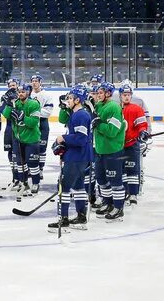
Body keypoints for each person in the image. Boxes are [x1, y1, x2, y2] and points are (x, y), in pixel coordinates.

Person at [47, 85, 93, 231]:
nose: (68, 100)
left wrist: (63, 138)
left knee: (64, 186)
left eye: (71, 98)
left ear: (78, 100)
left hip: (77, 157)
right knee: (78, 187)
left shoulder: (81, 115)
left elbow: (81, 139)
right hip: (78, 156)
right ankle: (81, 217)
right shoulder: (77, 114)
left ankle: (64, 220)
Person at [92, 82, 127, 221]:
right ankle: (108, 203)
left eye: (101, 92)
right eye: (98, 92)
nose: (98, 95)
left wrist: (99, 124)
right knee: (101, 178)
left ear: (108, 93)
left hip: (113, 150)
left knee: (115, 179)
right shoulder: (99, 106)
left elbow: (112, 131)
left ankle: (118, 207)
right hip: (100, 149)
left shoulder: (114, 108)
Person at [1, 84, 42, 196]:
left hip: (32, 139)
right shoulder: (16, 103)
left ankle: (35, 183)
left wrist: (22, 116)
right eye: (19, 92)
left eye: (23, 91)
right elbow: (6, 115)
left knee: (32, 163)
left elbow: (33, 123)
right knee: (20, 163)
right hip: (18, 138)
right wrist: (9, 104)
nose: (20, 93)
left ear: (28, 92)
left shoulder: (34, 104)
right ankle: (24, 183)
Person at [119, 83, 148, 205]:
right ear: (120, 96)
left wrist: (143, 132)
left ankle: (133, 194)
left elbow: (142, 125)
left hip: (132, 145)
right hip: (118, 146)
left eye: (129, 95)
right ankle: (124, 192)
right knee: (121, 170)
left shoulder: (137, 109)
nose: (127, 97)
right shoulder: (115, 108)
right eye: (124, 95)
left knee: (132, 169)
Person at [29, 74, 54, 178]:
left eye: (36, 81)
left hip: (43, 124)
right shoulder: (28, 94)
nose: (34, 82)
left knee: (42, 148)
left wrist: (34, 111)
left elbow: (48, 112)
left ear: (40, 82)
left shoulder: (46, 95)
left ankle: (41, 169)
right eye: (33, 81)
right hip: (31, 125)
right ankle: (32, 168)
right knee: (32, 147)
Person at [0, 78, 20, 185]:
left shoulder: (21, 95)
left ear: (17, 85)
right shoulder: (4, 97)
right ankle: (14, 175)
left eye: (14, 85)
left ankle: (21, 175)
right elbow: (3, 112)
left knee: (20, 152)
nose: (12, 87)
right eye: (10, 85)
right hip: (9, 127)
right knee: (10, 151)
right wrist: (8, 104)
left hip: (21, 128)